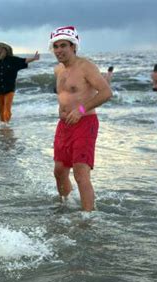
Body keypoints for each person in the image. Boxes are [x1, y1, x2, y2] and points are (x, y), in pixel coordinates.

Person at [49, 26, 112, 211]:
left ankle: (87, 216)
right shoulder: (58, 70)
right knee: (59, 171)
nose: (59, 50)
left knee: (80, 172)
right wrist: (61, 110)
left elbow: (106, 92)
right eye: (55, 46)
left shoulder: (86, 66)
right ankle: (66, 205)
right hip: (64, 124)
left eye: (63, 46)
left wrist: (81, 110)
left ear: (73, 46)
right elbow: (66, 95)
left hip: (85, 123)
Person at [0, 42, 40, 124]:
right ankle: (4, 127)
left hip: (9, 89)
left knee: (6, 110)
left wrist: (34, 58)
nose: (0, 51)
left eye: (2, 50)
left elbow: (23, 61)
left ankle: (6, 125)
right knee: (1, 111)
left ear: (6, 51)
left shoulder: (12, 60)